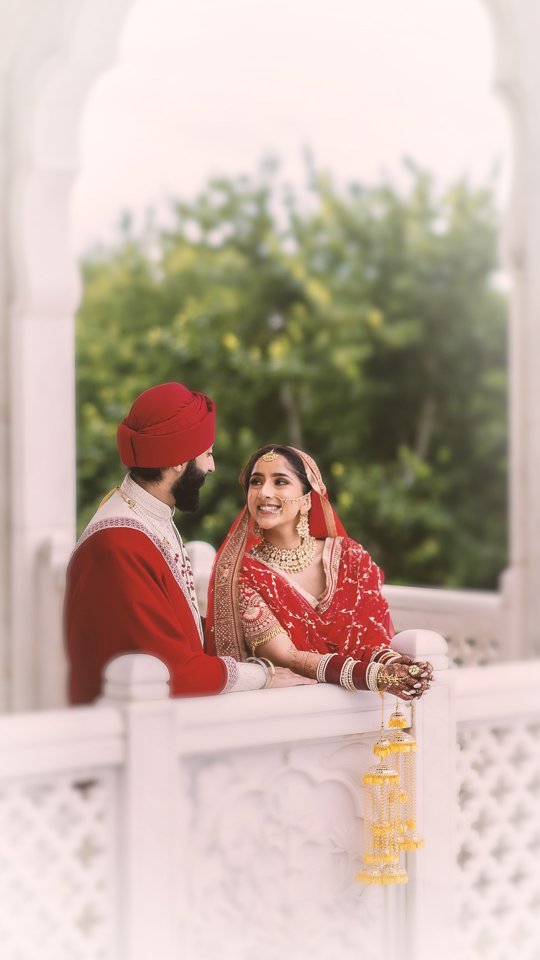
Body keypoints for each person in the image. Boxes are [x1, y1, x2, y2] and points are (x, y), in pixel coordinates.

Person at [65, 383, 305, 703]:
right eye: (206, 453)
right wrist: (264, 674)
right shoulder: (118, 546)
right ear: (178, 460)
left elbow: (173, 631)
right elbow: (172, 670)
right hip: (122, 738)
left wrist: (255, 630)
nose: (211, 465)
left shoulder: (149, 517)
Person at [206, 445, 433, 698]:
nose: (264, 492)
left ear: (306, 500)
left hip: (358, 710)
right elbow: (287, 656)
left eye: (280, 481)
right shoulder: (242, 574)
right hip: (292, 710)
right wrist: (374, 676)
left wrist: (394, 665)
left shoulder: (351, 558)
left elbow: (371, 640)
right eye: (255, 482)